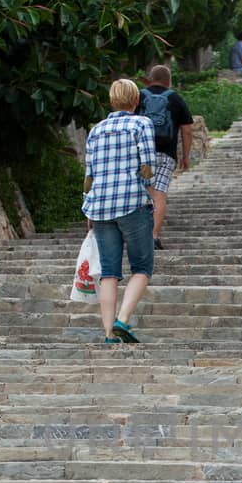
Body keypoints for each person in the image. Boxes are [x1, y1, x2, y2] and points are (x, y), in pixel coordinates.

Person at [83, 78, 156, 347]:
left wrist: (87, 206)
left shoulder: (96, 130)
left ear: (111, 101)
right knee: (142, 267)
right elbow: (147, 165)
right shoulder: (141, 124)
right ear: (136, 100)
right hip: (131, 202)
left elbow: (88, 175)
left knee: (109, 273)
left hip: (100, 206)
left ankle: (108, 334)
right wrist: (147, 187)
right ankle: (123, 320)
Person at [138, 63, 193, 252]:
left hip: (140, 153)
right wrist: (185, 156)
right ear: (168, 81)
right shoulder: (176, 99)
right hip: (166, 154)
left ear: (150, 79)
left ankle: (136, 236)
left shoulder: (139, 96)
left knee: (142, 193)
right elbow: (187, 130)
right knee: (159, 194)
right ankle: (153, 236)